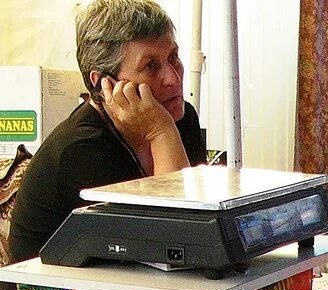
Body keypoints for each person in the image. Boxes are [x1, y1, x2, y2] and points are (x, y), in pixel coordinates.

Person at [9, 0, 206, 263]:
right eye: (150, 66)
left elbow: (205, 229)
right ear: (103, 83)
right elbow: (177, 244)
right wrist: (161, 132)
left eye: (173, 57)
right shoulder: (81, 149)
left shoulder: (180, 117)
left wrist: (165, 129)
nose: (174, 78)